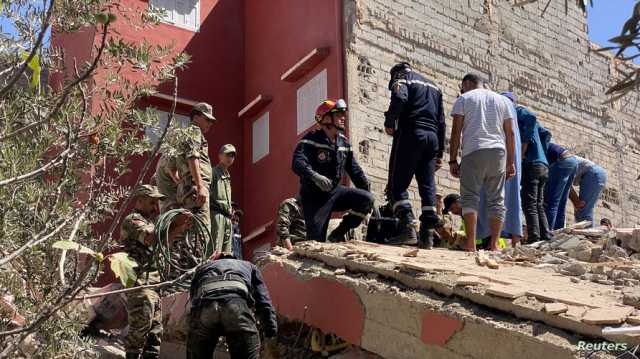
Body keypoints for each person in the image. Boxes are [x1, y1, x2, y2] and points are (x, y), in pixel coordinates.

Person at [120, 185, 191, 359]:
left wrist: (179, 227)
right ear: (139, 201)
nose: (155, 207)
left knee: (154, 334)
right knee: (140, 330)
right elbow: (152, 239)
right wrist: (175, 222)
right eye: (152, 202)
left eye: (156, 203)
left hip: (153, 284)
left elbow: (163, 242)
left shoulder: (150, 223)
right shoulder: (133, 220)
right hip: (140, 284)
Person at [448, 74, 516, 251]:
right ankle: (494, 244)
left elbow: (456, 131)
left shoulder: (464, 99)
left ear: (467, 83)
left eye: (462, 87)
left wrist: (453, 159)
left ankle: (471, 244)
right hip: (498, 152)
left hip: (474, 150)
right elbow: (510, 133)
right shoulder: (503, 101)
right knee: (497, 199)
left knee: (470, 197)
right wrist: (510, 162)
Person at [292, 99, 374, 242]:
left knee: (367, 199)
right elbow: (297, 163)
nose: (343, 117)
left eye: (344, 114)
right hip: (314, 198)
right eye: (338, 114)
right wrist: (316, 177)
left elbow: (355, 171)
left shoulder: (344, 143)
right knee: (316, 242)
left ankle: (338, 233)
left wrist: (367, 191)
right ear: (326, 118)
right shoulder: (310, 140)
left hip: (335, 193)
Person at [383, 62, 446, 248]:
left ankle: (408, 228)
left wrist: (390, 120)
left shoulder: (402, 78)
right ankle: (427, 236)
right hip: (432, 138)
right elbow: (441, 122)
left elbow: (400, 98)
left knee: (397, 184)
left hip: (411, 133)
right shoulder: (435, 87)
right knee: (427, 185)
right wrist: (440, 152)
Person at [187, 251, 278, 359]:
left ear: (216, 261)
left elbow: (193, 300)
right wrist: (270, 331)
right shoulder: (249, 266)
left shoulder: (203, 268)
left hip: (205, 307)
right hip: (236, 306)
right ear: (236, 259)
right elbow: (264, 301)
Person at [475, 92, 523, 246]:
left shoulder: (499, 107)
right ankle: (514, 241)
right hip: (511, 160)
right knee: (512, 198)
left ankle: (490, 241)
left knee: (490, 197)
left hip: (497, 156)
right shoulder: (514, 113)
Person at [175, 102, 216, 242]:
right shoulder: (194, 131)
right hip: (195, 188)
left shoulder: (186, 133)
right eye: (207, 119)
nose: (210, 123)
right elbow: (192, 156)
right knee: (200, 233)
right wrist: (200, 185)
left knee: (188, 233)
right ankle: (197, 263)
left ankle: (188, 262)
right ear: (196, 116)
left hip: (188, 187)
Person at [515, 100, 553, 242]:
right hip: (542, 165)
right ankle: (545, 236)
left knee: (529, 203)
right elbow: (547, 134)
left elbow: (531, 117)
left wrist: (524, 148)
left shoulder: (517, 111)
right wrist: (542, 152)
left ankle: (534, 237)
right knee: (538, 203)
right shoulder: (535, 127)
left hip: (531, 164)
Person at [544, 143, 578, 230]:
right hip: (572, 161)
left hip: (562, 161)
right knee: (561, 202)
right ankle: (558, 232)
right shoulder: (541, 139)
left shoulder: (526, 142)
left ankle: (547, 234)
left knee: (551, 203)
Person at [210, 144, 235, 253]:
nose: (230, 158)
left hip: (227, 217)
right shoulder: (213, 172)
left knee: (226, 251)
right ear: (220, 156)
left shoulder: (227, 175)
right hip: (216, 214)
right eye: (228, 155)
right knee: (215, 249)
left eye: (232, 156)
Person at [569, 156, 607, 225]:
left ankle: (588, 234)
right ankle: (586, 233)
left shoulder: (554, 163)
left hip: (592, 174)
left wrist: (577, 202)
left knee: (582, 210)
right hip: (594, 174)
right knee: (581, 212)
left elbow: (567, 186)